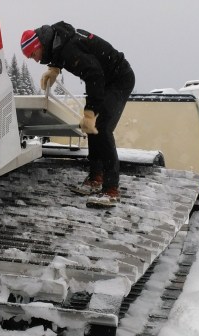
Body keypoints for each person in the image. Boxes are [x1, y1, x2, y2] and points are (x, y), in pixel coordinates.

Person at [20, 22, 135, 207]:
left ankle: (111, 189)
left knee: (101, 127)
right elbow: (58, 49)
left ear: (38, 45)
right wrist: (54, 69)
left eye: (33, 55)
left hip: (119, 78)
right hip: (106, 79)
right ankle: (95, 178)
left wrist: (90, 112)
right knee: (93, 129)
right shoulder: (56, 40)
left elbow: (94, 75)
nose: (34, 60)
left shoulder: (69, 50)